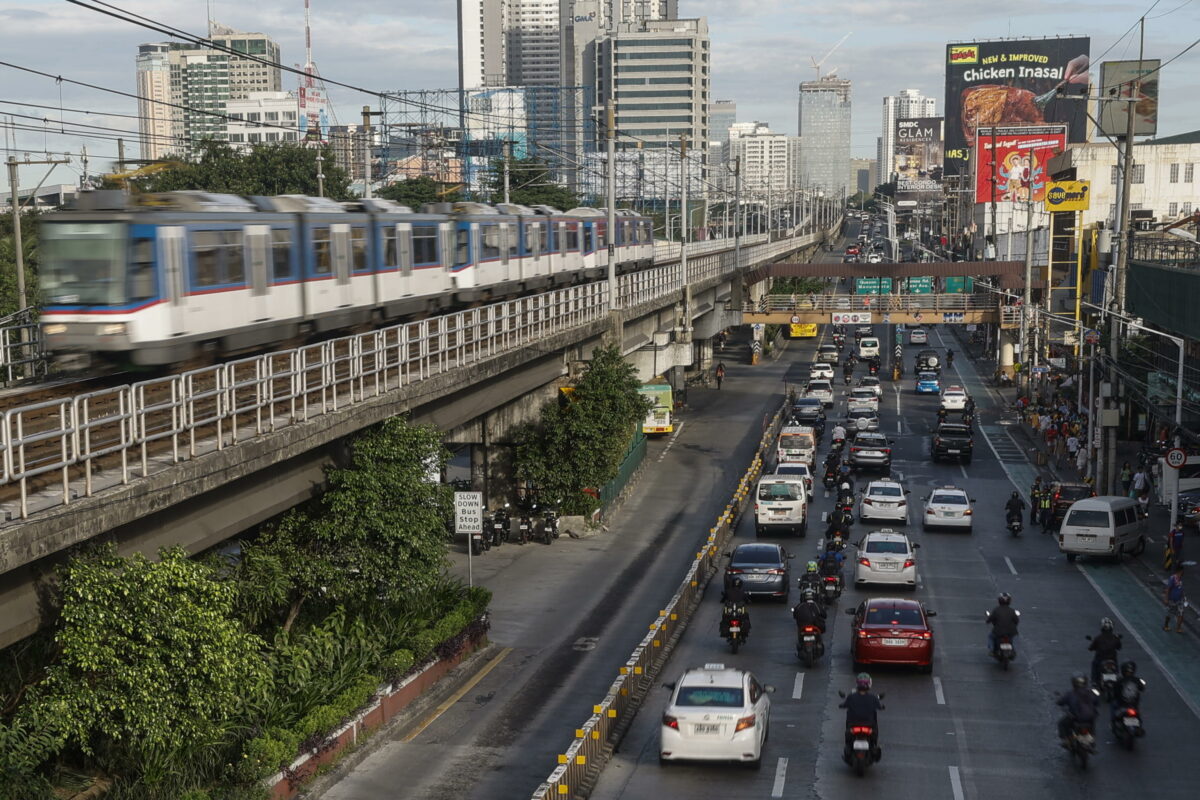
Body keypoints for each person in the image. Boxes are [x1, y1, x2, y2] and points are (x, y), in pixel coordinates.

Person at [840, 673, 884, 761]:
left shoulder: (851, 697)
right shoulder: (873, 698)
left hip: (853, 725)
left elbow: (844, 705)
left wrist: (841, 705)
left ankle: (848, 748)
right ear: (869, 684)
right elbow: (880, 707)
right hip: (869, 726)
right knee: (874, 733)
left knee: (848, 734)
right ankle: (874, 746)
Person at [1056, 674, 1100, 745]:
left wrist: (1058, 701)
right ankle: (1092, 736)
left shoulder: (1070, 693)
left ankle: (1066, 740)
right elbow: (1097, 702)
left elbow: (1061, 701)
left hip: (1077, 718)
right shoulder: (1092, 692)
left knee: (1061, 724)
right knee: (1093, 719)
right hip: (1090, 718)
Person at [1088, 617, 1122, 686]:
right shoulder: (1115, 638)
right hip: (1112, 659)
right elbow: (1119, 647)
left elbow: (1090, 648)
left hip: (1100, 659)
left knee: (1094, 664)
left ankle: (1094, 680)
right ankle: (1117, 675)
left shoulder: (1098, 638)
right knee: (1116, 665)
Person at [1163, 566, 1186, 633]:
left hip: (1180, 600)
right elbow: (1168, 589)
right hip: (1172, 600)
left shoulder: (1180, 579)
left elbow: (1181, 589)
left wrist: (1184, 598)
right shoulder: (1172, 578)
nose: (1183, 572)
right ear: (1180, 571)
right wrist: (1166, 599)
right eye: (1182, 571)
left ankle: (1178, 628)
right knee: (1170, 613)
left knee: (1181, 613)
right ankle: (1166, 625)